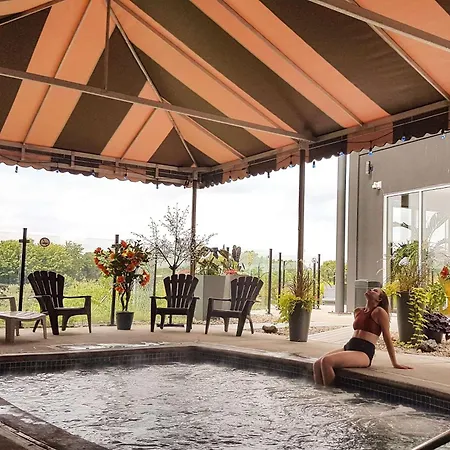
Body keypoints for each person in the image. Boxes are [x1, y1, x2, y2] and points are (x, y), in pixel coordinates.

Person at [313, 288, 412, 386]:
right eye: (371, 289)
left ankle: (331, 393)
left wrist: (394, 363)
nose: (370, 290)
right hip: (349, 346)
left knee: (326, 362)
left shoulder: (379, 312)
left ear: (379, 299)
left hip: (363, 352)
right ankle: (320, 392)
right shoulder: (358, 311)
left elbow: (387, 337)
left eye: (375, 291)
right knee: (317, 364)